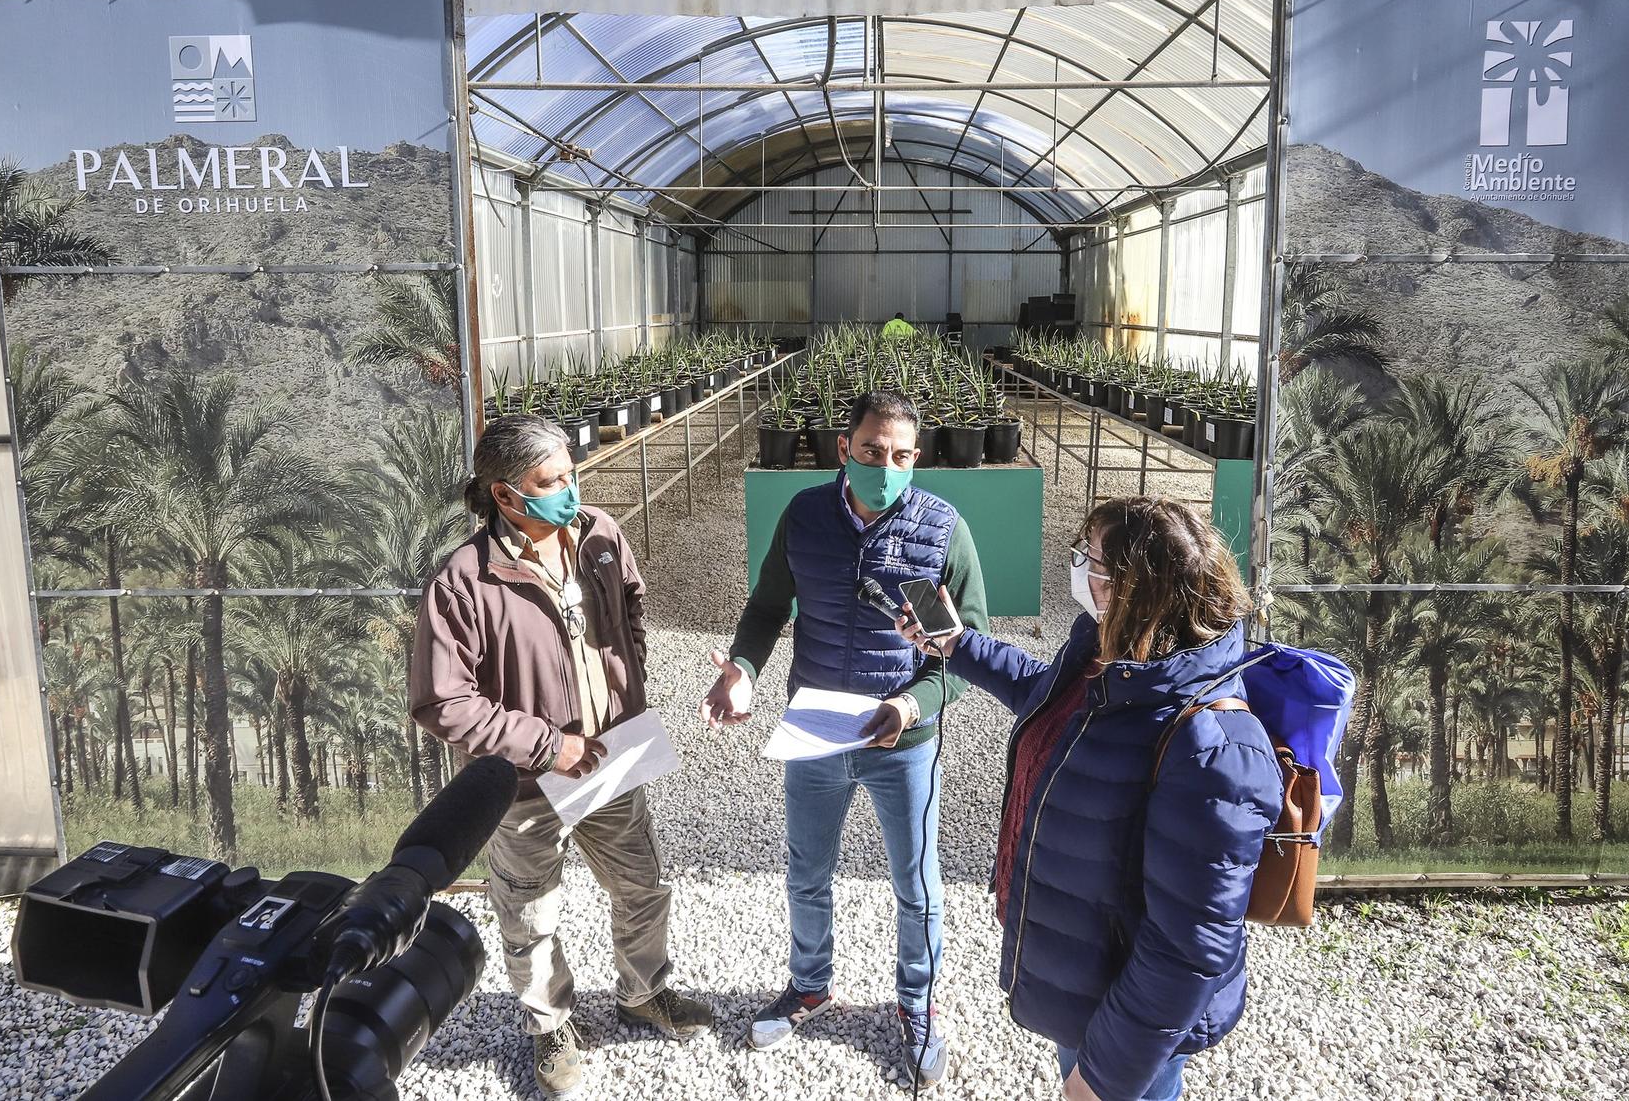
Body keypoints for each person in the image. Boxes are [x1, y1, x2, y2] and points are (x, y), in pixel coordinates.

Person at [894, 496, 1281, 1101]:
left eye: (1093, 561)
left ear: (1137, 586)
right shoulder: (1115, 658)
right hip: (1090, 976)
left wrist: (1102, 1076)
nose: (1080, 571)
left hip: (1129, 1017)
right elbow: (1041, 692)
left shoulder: (1211, 747)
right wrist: (956, 644)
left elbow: (1188, 948)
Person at [410, 415, 714, 1101]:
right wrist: (549, 744)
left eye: (571, 473)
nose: (570, 490)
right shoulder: (464, 581)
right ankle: (549, 1026)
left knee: (642, 885)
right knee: (529, 910)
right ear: (505, 495)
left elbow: (631, 606)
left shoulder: (601, 536)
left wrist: (624, 684)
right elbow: (442, 702)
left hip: (612, 759)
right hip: (523, 785)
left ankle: (645, 993)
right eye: (550, 482)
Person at [701, 390, 988, 1088]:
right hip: (817, 732)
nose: (884, 467)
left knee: (916, 883)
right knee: (806, 870)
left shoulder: (942, 530)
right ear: (844, 449)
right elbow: (769, 604)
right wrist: (742, 670)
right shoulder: (804, 517)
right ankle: (809, 983)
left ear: (915, 458)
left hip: (904, 743)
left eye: (899, 456)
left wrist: (912, 705)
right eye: (870, 452)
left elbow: (966, 649)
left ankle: (917, 1003)